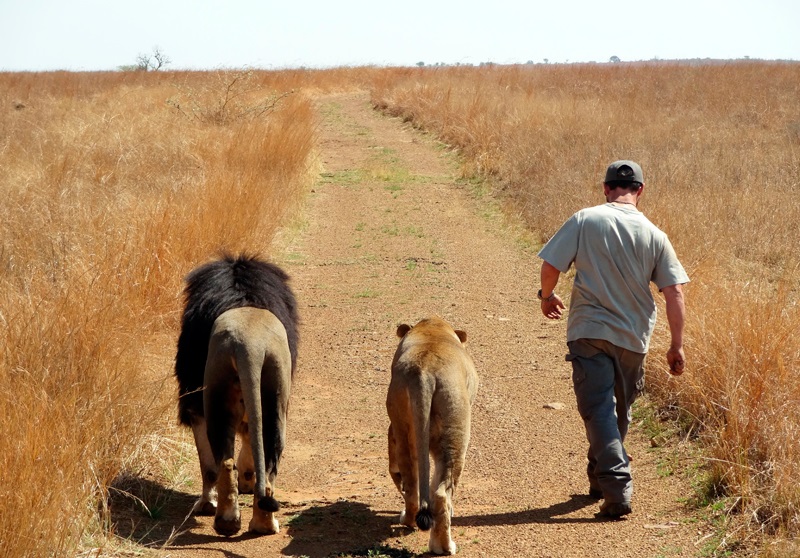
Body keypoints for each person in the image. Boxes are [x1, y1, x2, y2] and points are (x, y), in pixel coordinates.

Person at [536, 160, 688, 519]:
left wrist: (547, 296)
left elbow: (550, 266)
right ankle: (600, 477)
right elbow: (675, 293)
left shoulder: (585, 219)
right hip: (633, 337)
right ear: (640, 189)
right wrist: (676, 344)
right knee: (617, 410)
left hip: (589, 331)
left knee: (599, 408)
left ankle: (616, 487)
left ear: (605, 188)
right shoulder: (656, 235)